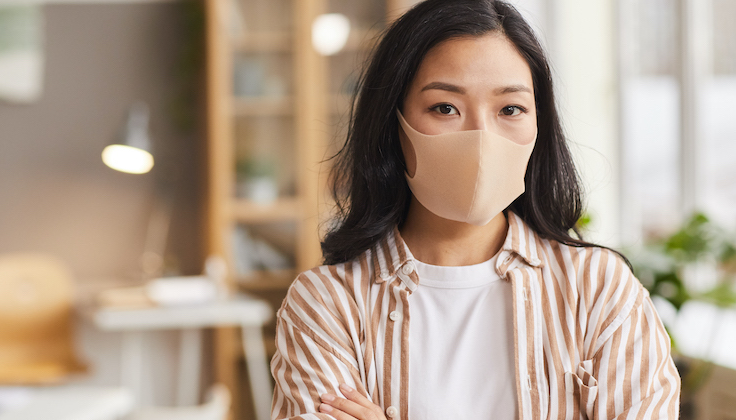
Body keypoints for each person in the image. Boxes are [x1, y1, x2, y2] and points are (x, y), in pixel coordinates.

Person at [269, 0, 681, 419]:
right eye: (445, 107)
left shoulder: (598, 290)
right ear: (393, 123)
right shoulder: (326, 305)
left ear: (540, 123)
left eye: (510, 109)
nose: (481, 137)